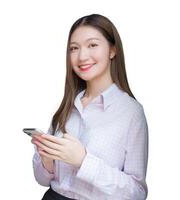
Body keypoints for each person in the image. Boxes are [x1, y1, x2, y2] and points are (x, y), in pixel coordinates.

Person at [31, 14, 148, 200]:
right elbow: (42, 180)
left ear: (112, 50)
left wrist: (83, 161)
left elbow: (137, 193)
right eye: (74, 48)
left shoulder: (131, 112)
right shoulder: (67, 107)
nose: (82, 56)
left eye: (92, 45)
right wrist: (47, 160)